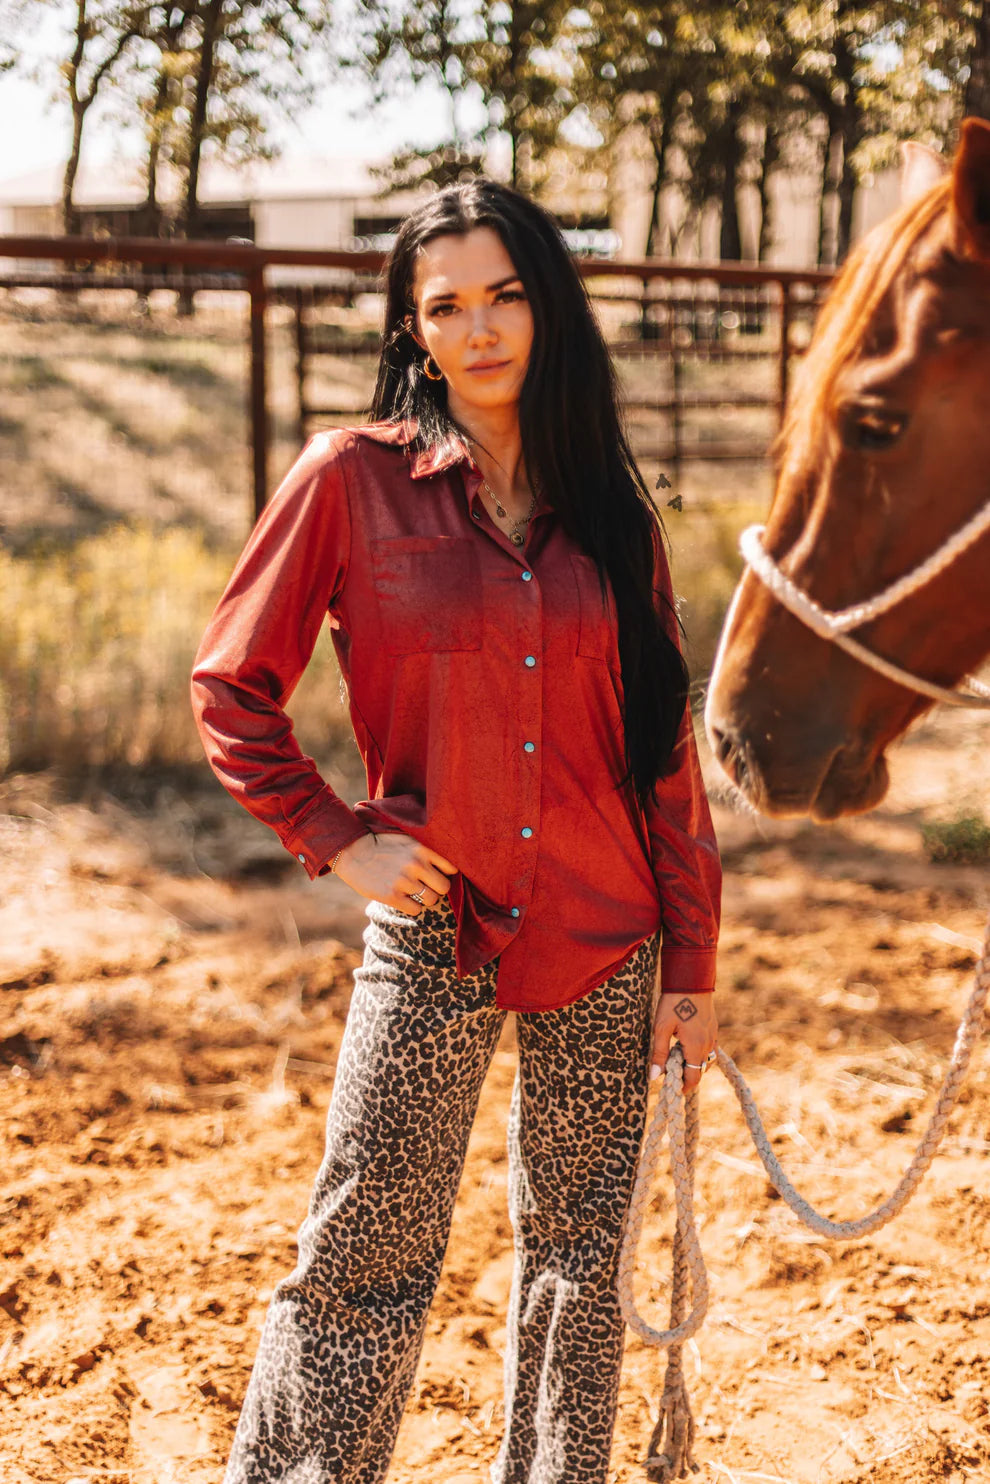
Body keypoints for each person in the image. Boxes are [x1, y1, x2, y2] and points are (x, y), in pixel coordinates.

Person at [190, 177, 721, 1484]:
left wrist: (693, 967)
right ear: (409, 330)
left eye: (505, 297)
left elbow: (662, 754)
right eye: (444, 307)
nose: (478, 330)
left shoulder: (613, 512)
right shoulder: (349, 481)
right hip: (434, 926)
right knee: (364, 1247)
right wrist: (335, 835)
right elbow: (230, 686)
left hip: (607, 936)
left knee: (577, 1263)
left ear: (547, 309)